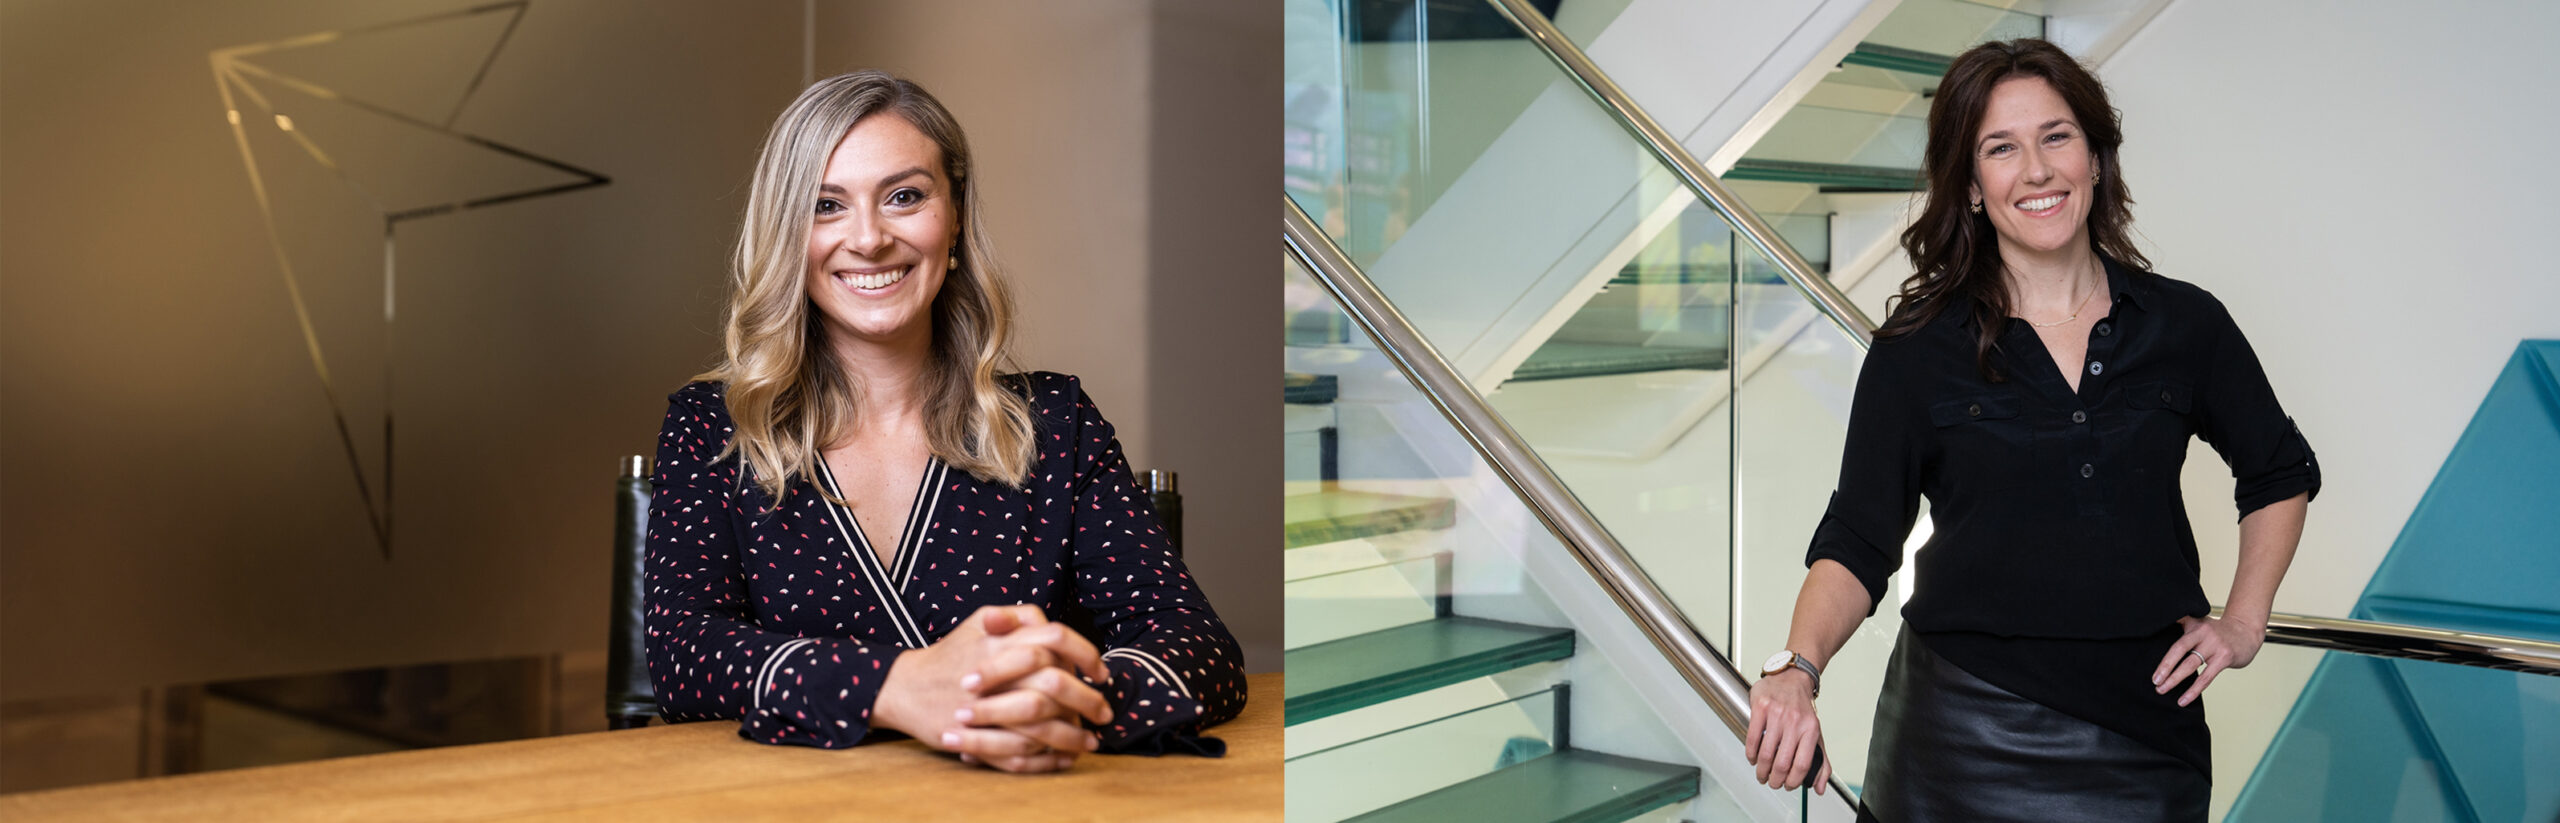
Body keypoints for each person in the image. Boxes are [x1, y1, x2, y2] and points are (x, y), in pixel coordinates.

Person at [1741, 39, 2317, 820]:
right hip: (1952, 739)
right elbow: (1858, 537)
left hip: (2145, 741)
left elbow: (2278, 471)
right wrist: (1796, 667)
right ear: (1974, 186)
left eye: (2057, 136)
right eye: (2001, 148)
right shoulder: (1918, 347)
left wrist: (2245, 621)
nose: (2037, 170)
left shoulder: (2186, 323)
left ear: (2095, 158)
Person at [643, 70, 1245, 773]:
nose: (868, 239)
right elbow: (684, 654)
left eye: (904, 197)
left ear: (954, 214)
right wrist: (896, 689)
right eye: (826, 206)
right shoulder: (712, 426)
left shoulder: (1055, 421)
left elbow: (1196, 642)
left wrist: (1040, 699)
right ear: (787, 235)